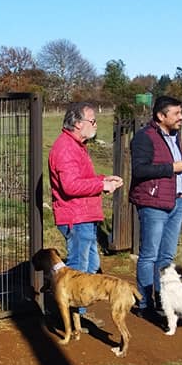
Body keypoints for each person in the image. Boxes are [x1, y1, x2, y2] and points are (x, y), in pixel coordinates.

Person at [48, 103, 124, 314]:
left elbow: (80, 179)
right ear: (79, 124)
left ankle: (77, 316)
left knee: (89, 267)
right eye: (93, 121)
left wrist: (103, 179)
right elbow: (70, 186)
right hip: (76, 217)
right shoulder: (65, 148)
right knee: (79, 272)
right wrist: (102, 185)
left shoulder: (76, 146)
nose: (96, 124)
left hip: (84, 216)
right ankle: (71, 317)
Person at [129, 95, 182, 314]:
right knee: (149, 255)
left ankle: (164, 301)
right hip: (153, 203)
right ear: (161, 116)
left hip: (176, 201)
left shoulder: (175, 136)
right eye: (176, 113)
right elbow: (140, 170)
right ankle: (145, 303)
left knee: (166, 256)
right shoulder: (144, 138)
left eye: (180, 112)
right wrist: (171, 168)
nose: (180, 117)